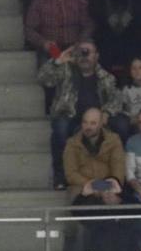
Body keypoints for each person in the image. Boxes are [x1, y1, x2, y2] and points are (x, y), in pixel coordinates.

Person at [40, 42, 118, 190]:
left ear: (96, 56)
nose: (84, 57)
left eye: (88, 53)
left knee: (120, 125)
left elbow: (116, 99)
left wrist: (106, 112)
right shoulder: (65, 70)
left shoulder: (105, 77)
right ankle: (60, 176)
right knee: (60, 129)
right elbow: (44, 79)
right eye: (81, 53)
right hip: (68, 114)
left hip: (95, 118)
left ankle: (115, 177)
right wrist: (57, 61)